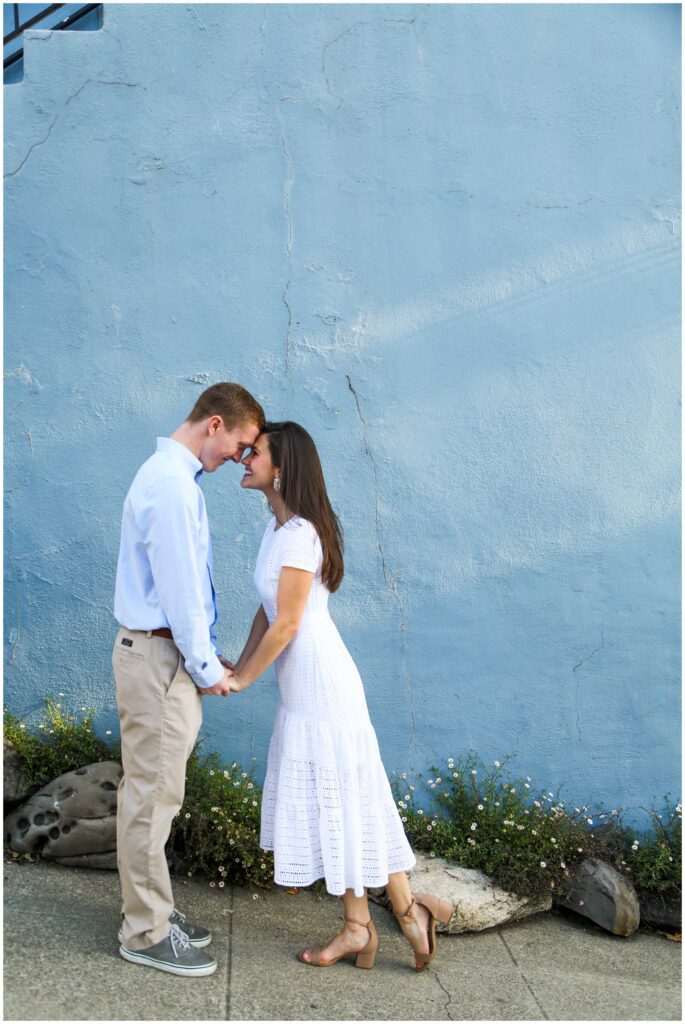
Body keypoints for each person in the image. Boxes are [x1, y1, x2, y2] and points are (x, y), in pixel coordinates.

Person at [230, 421, 452, 971]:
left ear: (281, 466)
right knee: (347, 803)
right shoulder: (276, 530)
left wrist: (244, 678)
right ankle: (396, 916)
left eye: (252, 452)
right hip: (303, 689)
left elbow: (287, 624)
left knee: (345, 801)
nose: (242, 457)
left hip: (324, 688)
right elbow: (267, 610)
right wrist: (241, 658)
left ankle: (373, 923)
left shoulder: (302, 533)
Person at [113, 382, 265, 977]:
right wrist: (207, 670)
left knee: (156, 795)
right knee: (152, 799)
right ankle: (144, 932)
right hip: (160, 659)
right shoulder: (173, 486)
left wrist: (205, 657)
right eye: (241, 444)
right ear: (215, 424)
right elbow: (178, 593)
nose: (239, 458)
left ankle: (150, 913)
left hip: (161, 656)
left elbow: (182, 592)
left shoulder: (173, 479)